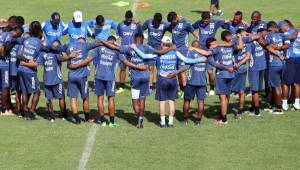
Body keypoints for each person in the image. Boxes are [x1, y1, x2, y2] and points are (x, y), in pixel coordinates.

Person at [103, 33, 173, 128]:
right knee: (142, 99)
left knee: (135, 100)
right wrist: (171, 48)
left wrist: (105, 42)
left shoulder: (130, 48)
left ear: (134, 40)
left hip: (135, 77)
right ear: (143, 40)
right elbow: (160, 52)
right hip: (145, 77)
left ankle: (138, 118)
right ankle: (141, 117)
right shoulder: (147, 48)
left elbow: (117, 48)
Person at [132, 37, 205, 128]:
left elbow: (144, 56)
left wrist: (135, 47)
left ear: (162, 44)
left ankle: (162, 122)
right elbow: (187, 60)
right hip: (173, 79)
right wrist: (199, 60)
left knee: (162, 102)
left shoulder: (158, 54)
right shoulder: (175, 53)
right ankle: (170, 122)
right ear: (170, 44)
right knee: (171, 101)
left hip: (162, 79)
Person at [90, 36, 147, 127]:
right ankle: (112, 122)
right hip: (110, 77)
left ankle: (102, 121)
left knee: (100, 98)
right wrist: (140, 67)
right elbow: (127, 63)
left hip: (98, 76)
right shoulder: (117, 51)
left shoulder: (99, 48)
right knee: (111, 99)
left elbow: (89, 59)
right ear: (114, 42)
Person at [60, 37, 102, 124]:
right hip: (82, 77)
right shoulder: (85, 45)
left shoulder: (69, 45)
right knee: (85, 98)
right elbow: (98, 42)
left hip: (71, 76)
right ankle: (87, 118)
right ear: (84, 40)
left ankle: (77, 119)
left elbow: (57, 48)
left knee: (73, 98)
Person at [37, 40, 78, 122]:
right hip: (57, 80)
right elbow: (63, 59)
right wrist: (71, 56)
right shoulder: (57, 54)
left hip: (47, 80)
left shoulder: (42, 54)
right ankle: (64, 116)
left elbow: (41, 66)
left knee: (48, 99)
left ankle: (51, 117)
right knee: (61, 98)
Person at [192, 11, 228, 96]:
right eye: (203, 21)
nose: (205, 23)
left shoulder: (215, 22)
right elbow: (191, 28)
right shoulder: (198, 23)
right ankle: (204, 89)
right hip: (201, 50)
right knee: (201, 71)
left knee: (210, 71)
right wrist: (196, 36)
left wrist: (228, 22)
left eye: (206, 21)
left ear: (210, 18)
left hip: (211, 50)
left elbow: (225, 21)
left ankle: (212, 88)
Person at [174, 40, 208, 125]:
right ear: (199, 46)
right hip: (202, 82)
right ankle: (198, 121)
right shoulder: (205, 54)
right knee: (201, 102)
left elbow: (186, 65)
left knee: (187, 101)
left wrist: (177, 72)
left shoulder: (191, 54)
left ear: (192, 47)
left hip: (191, 82)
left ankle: (185, 119)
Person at [167, 11, 199, 98]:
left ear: (176, 18)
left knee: (181, 71)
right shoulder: (172, 23)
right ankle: (181, 89)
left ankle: (186, 91)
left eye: (172, 21)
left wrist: (200, 43)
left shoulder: (186, 23)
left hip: (183, 51)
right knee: (177, 71)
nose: (172, 24)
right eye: (171, 22)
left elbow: (195, 33)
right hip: (174, 51)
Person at [17, 21, 43, 120]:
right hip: (30, 72)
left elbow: (19, 54)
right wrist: (28, 62)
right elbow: (36, 63)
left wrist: (24, 61)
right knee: (37, 92)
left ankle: (24, 111)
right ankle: (31, 112)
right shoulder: (40, 44)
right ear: (40, 31)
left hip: (20, 69)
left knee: (25, 91)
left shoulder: (25, 40)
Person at [116, 10, 142, 94]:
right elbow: (117, 35)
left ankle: (135, 85)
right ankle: (121, 86)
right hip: (123, 50)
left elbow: (140, 36)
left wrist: (138, 47)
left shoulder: (137, 24)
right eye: (127, 19)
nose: (128, 21)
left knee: (134, 68)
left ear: (132, 17)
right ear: (125, 17)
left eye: (129, 19)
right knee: (123, 68)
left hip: (134, 50)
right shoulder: (120, 25)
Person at [142, 13, 169, 92]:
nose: (157, 24)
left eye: (159, 22)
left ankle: (160, 85)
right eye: (156, 22)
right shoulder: (148, 22)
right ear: (153, 20)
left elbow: (174, 30)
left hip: (160, 51)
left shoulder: (165, 25)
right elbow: (140, 30)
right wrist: (145, 36)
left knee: (160, 69)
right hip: (150, 50)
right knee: (150, 68)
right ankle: (150, 86)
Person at [0, 25, 24, 115]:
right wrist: (3, 54)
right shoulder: (10, 36)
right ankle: (4, 109)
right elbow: (4, 48)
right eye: (18, 35)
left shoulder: (2, 33)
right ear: (17, 33)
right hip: (3, 64)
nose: (17, 37)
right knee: (6, 87)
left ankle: (7, 106)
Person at [278, 21, 300, 111]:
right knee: (297, 83)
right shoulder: (298, 32)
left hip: (290, 59)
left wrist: (277, 48)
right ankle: (297, 104)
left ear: (284, 26)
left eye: (280, 28)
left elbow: (287, 45)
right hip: (299, 58)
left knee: (285, 83)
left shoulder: (287, 33)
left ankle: (284, 105)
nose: (281, 30)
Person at [231, 29, 251, 119]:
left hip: (235, 68)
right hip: (243, 67)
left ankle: (222, 113)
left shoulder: (234, 41)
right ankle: (240, 111)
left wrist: (237, 64)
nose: (244, 35)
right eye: (243, 34)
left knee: (228, 90)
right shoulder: (248, 42)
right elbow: (248, 56)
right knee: (241, 91)